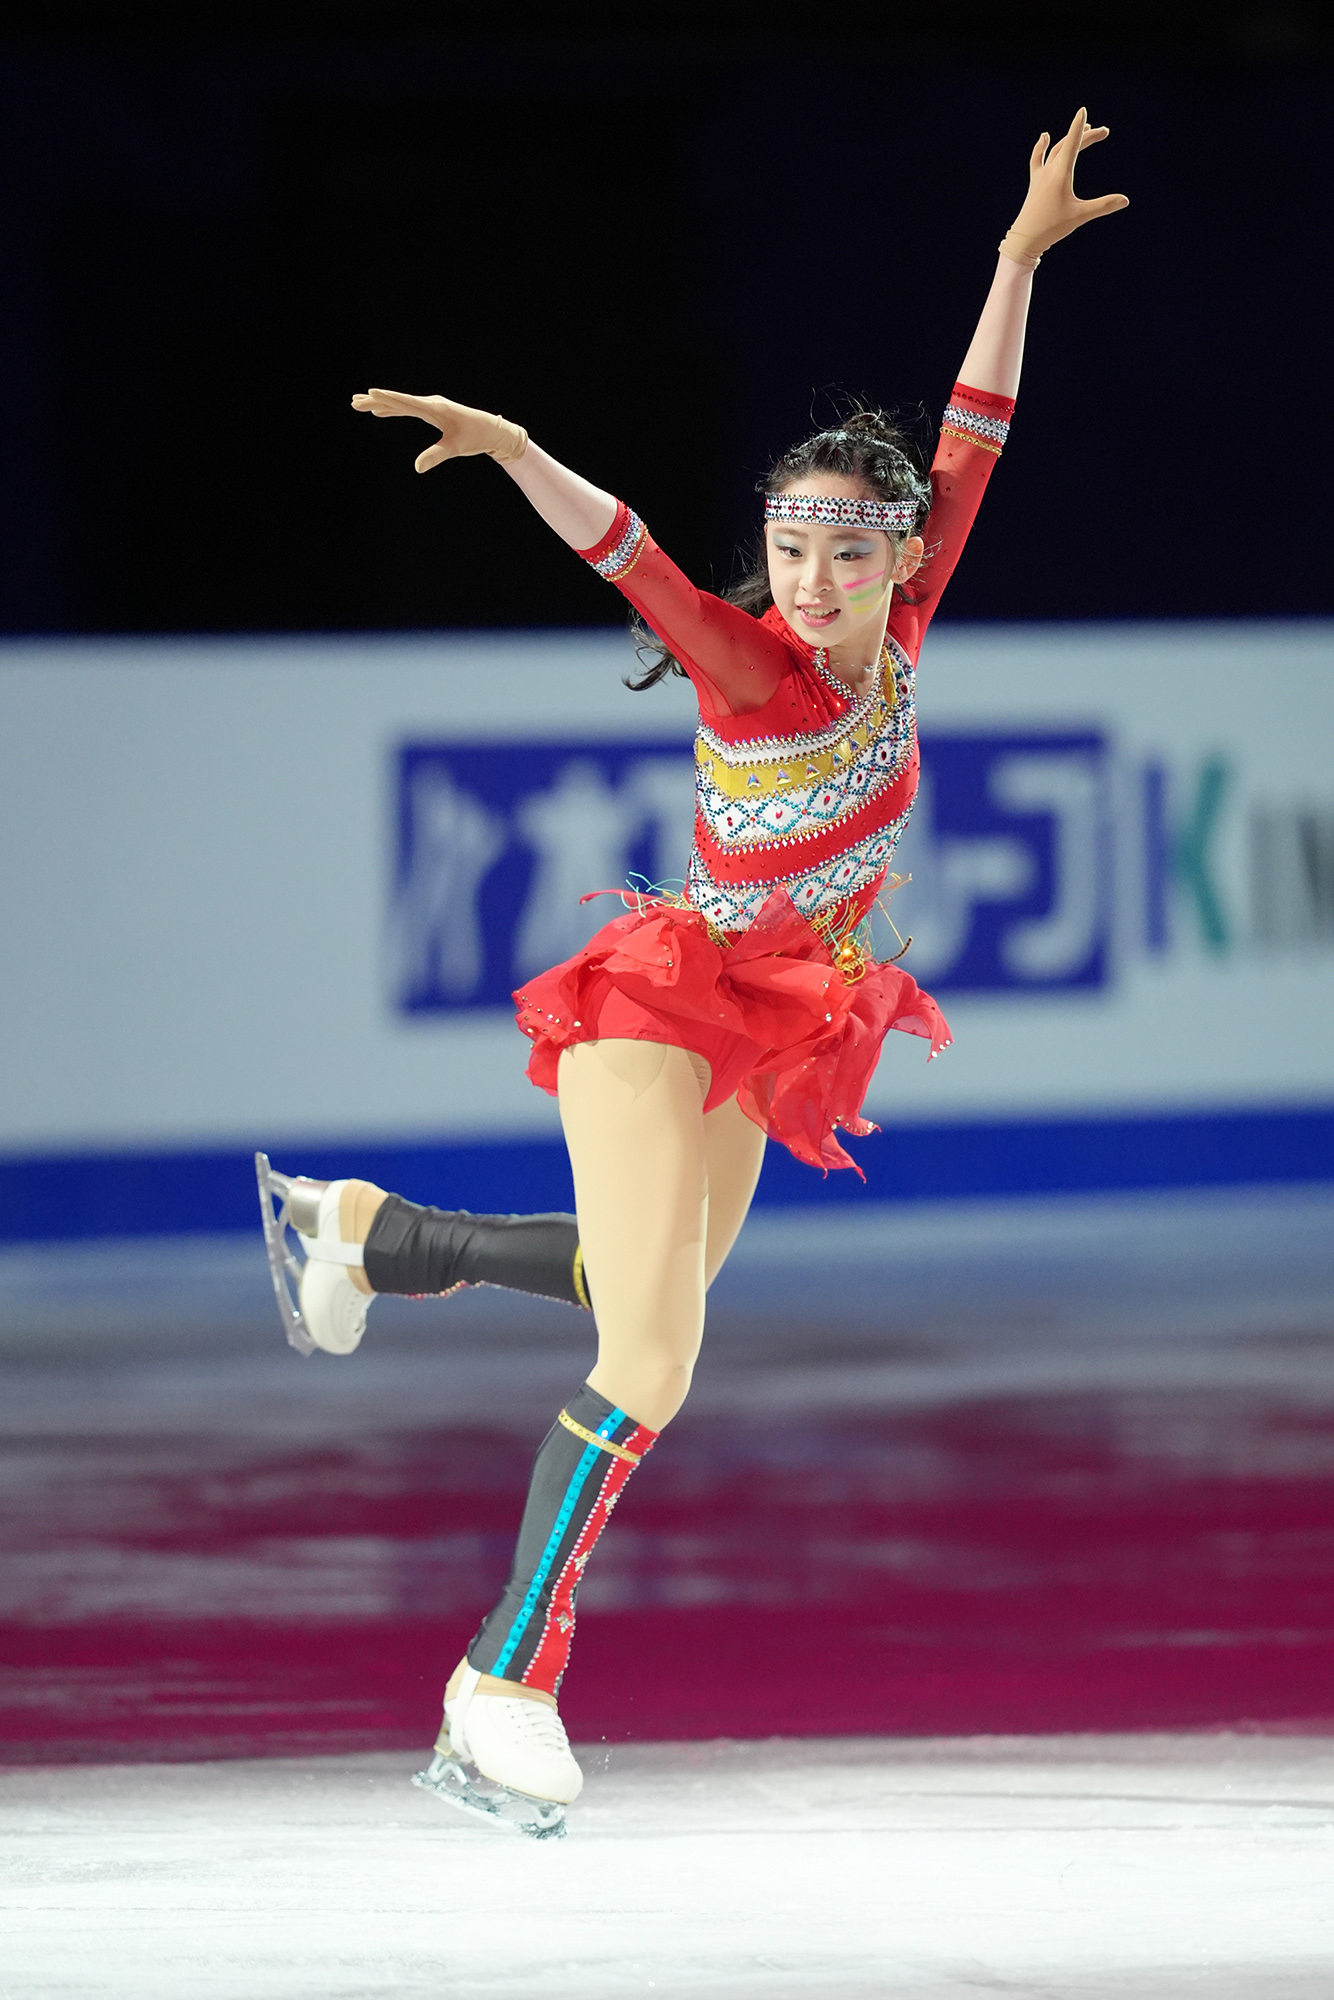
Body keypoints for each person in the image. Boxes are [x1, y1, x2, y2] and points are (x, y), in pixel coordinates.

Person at [259, 111, 1126, 1836]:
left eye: (848, 553)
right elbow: (629, 552)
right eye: (791, 550)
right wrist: (518, 449)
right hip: (662, 1007)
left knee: (639, 1285)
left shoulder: (902, 620)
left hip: (770, 1022)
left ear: (898, 557)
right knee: (651, 1360)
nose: (812, 582)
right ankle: (502, 1684)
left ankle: (362, 1234)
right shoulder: (749, 668)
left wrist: (1014, 259)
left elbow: (976, 431)